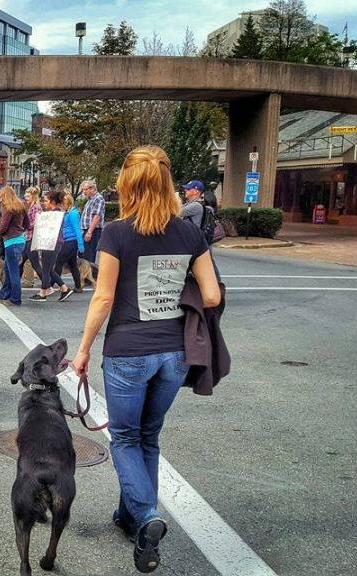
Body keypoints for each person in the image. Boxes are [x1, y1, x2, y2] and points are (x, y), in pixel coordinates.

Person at [71, 146, 221, 572]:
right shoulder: (190, 234)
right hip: (175, 353)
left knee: (124, 438)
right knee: (148, 436)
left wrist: (82, 350)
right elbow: (210, 295)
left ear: (127, 186)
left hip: (127, 353)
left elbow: (102, 297)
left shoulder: (117, 233)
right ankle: (131, 517)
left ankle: (148, 516)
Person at [0, 185, 28, 306]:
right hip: (20, 240)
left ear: (5, 196)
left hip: (11, 242)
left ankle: (15, 298)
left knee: (12, 271)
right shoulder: (21, 206)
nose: (0, 200)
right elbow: (27, 223)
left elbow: (4, 227)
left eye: (1, 197)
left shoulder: (7, 208)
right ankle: (4, 295)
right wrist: (18, 229)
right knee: (8, 270)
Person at [28, 190, 64, 302]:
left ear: (52, 201)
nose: (44, 203)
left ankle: (43, 293)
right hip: (50, 242)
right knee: (46, 268)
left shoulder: (56, 213)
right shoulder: (52, 212)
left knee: (46, 269)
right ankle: (64, 288)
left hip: (52, 242)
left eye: (46, 201)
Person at [49, 189, 85, 299]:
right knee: (72, 264)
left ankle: (50, 285)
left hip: (71, 241)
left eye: (63, 204)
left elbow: (77, 229)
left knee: (58, 262)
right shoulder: (68, 213)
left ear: (67, 203)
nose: (61, 205)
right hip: (69, 241)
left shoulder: (73, 214)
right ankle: (78, 286)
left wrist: (80, 245)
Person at [20, 186, 42, 288]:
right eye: (25, 196)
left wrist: (25, 225)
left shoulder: (36, 208)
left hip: (32, 238)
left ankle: (48, 283)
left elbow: (36, 223)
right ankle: (15, 282)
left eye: (28, 196)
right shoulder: (30, 207)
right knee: (21, 261)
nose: (25, 198)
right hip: (28, 237)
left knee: (35, 264)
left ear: (33, 197)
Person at [80, 179, 105, 263]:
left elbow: (97, 216)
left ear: (92, 188)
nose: (84, 192)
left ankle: (90, 275)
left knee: (89, 256)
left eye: (85, 189)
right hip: (87, 230)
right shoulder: (90, 199)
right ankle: (85, 274)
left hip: (93, 231)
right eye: (83, 190)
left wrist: (89, 232)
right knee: (84, 255)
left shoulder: (98, 198)